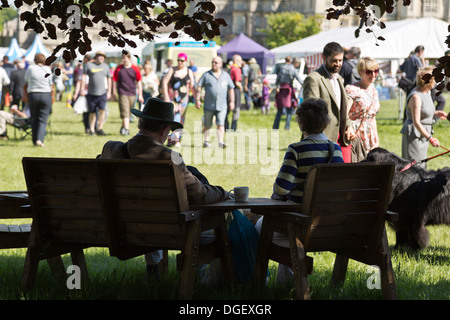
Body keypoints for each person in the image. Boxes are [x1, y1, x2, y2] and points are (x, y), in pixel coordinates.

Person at [99, 96, 229, 277]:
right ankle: (198, 280)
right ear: (165, 130)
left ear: (140, 123)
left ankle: (154, 271)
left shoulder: (112, 150)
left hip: (124, 228)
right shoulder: (172, 158)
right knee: (220, 225)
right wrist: (224, 193)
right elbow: (200, 196)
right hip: (171, 230)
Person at [256, 98, 344, 283]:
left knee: (259, 225)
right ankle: (284, 283)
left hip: (299, 224)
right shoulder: (335, 149)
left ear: (301, 122)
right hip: (328, 226)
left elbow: (281, 188)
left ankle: (261, 280)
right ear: (325, 122)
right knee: (287, 225)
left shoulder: (296, 149)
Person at [302, 42, 357, 163]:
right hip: (322, 141)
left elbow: (341, 108)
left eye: (341, 60)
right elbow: (311, 114)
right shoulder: (313, 78)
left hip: (342, 139)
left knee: (344, 179)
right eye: (334, 60)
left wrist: (349, 126)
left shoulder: (339, 79)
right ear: (324, 58)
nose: (338, 64)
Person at [401, 66, 448, 168]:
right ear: (429, 81)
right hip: (414, 135)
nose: (437, 81)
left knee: (422, 166)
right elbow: (416, 121)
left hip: (423, 134)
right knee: (414, 167)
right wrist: (430, 138)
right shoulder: (416, 97)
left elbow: (423, 111)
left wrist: (436, 113)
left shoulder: (427, 92)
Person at [196, 56, 235, 148]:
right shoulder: (206, 75)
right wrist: (197, 100)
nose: (213, 64)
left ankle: (221, 142)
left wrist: (232, 101)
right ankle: (206, 141)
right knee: (207, 124)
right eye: (212, 62)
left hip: (222, 105)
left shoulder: (226, 76)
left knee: (221, 124)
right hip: (209, 105)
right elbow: (199, 87)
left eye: (216, 63)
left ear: (221, 64)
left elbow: (231, 89)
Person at [345, 57, 381, 153]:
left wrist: (376, 140)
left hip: (370, 137)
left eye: (376, 71)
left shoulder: (374, 90)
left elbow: (372, 117)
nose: (373, 75)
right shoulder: (352, 89)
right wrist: (350, 128)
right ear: (361, 73)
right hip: (355, 135)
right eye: (369, 72)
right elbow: (343, 114)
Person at [162, 52, 195, 147]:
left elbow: (192, 86)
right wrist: (166, 97)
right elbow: (164, 82)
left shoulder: (189, 71)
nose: (180, 62)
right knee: (175, 118)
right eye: (178, 60)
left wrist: (196, 98)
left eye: (182, 61)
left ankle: (173, 140)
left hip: (184, 100)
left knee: (180, 120)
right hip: (173, 99)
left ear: (185, 61)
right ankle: (175, 141)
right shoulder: (172, 70)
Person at [24, 53, 53, 147]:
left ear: (35, 60)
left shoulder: (31, 68)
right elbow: (51, 83)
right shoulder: (47, 69)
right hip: (45, 95)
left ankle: (34, 140)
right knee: (43, 119)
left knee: (34, 118)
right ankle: (39, 140)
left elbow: (26, 80)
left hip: (33, 94)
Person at [80, 51, 112, 136]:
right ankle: (92, 129)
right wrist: (82, 89)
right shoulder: (89, 65)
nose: (102, 58)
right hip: (91, 93)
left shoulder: (106, 66)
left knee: (102, 111)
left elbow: (109, 79)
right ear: (96, 57)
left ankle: (100, 128)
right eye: (100, 56)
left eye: (103, 56)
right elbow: (83, 77)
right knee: (92, 112)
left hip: (103, 93)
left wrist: (109, 92)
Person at [112, 52, 144, 136]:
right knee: (125, 111)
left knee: (129, 112)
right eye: (122, 58)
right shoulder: (119, 69)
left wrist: (140, 94)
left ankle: (123, 127)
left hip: (132, 93)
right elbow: (114, 81)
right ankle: (126, 129)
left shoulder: (135, 69)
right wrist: (113, 93)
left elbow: (139, 81)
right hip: (122, 93)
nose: (123, 60)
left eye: (124, 58)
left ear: (129, 58)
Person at [273, 56, 303, 130]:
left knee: (279, 109)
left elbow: (278, 79)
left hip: (281, 89)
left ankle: (275, 127)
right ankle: (287, 127)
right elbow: (299, 80)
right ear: (295, 62)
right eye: (298, 64)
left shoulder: (282, 68)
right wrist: (306, 84)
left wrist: (277, 86)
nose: (298, 66)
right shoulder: (293, 69)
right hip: (288, 90)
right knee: (289, 109)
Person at [225, 55, 242, 131]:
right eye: (240, 61)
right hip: (235, 90)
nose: (241, 62)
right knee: (236, 110)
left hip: (228, 90)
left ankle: (226, 127)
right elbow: (237, 82)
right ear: (236, 61)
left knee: (227, 110)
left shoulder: (229, 68)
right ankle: (234, 128)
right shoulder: (236, 69)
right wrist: (241, 88)